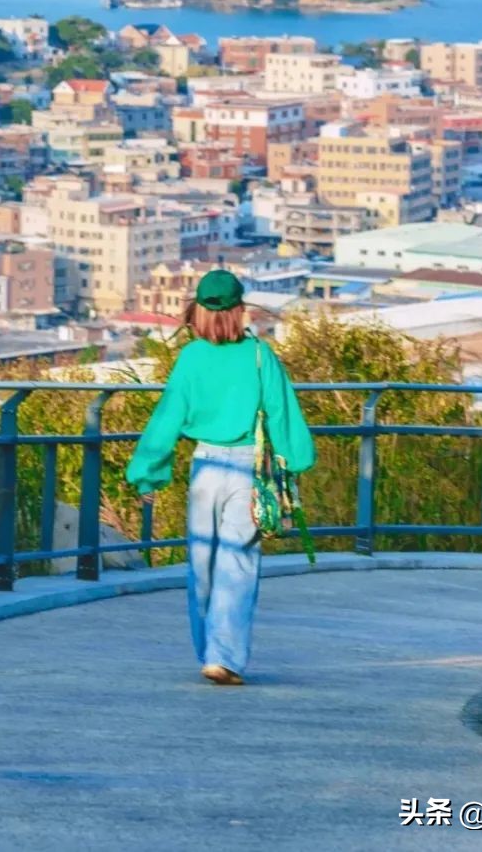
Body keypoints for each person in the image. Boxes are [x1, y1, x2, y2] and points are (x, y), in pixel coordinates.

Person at [125, 269, 315, 686]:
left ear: (199, 312)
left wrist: (148, 474)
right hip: (250, 468)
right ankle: (223, 655)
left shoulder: (191, 357)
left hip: (205, 466)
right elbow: (283, 414)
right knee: (238, 562)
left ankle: (211, 649)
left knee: (202, 562)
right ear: (239, 310)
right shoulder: (261, 355)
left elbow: (167, 418)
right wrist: (295, 463)